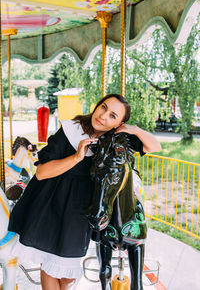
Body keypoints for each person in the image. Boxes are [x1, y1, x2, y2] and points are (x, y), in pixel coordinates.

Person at [8, 93, 161, 290]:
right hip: (52, 203)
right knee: (50, 267)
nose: (103, 116)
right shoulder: (72, 131)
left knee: (68, 274)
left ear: (118, 123)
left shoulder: (115, 140)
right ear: (97, 105)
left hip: (79, 211)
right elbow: (41, 173)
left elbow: (154, 146)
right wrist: (76, 157)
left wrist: (134, 129)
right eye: (103, 107)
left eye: (113, 116)